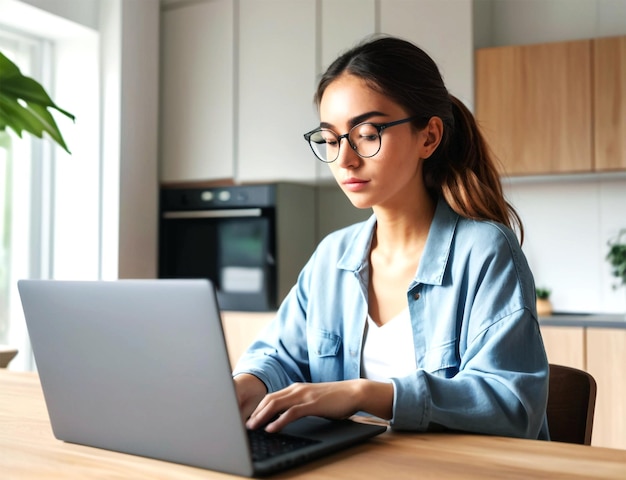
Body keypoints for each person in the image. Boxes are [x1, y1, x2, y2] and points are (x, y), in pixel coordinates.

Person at [233, 35, 549, 440]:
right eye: (330, 139)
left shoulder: (485, 252)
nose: (344, 158)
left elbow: (511, 404)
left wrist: (364, 394)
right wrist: (246, 385)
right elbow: (279, 357)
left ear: (429, 137)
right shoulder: (333, 257)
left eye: (366, 133)